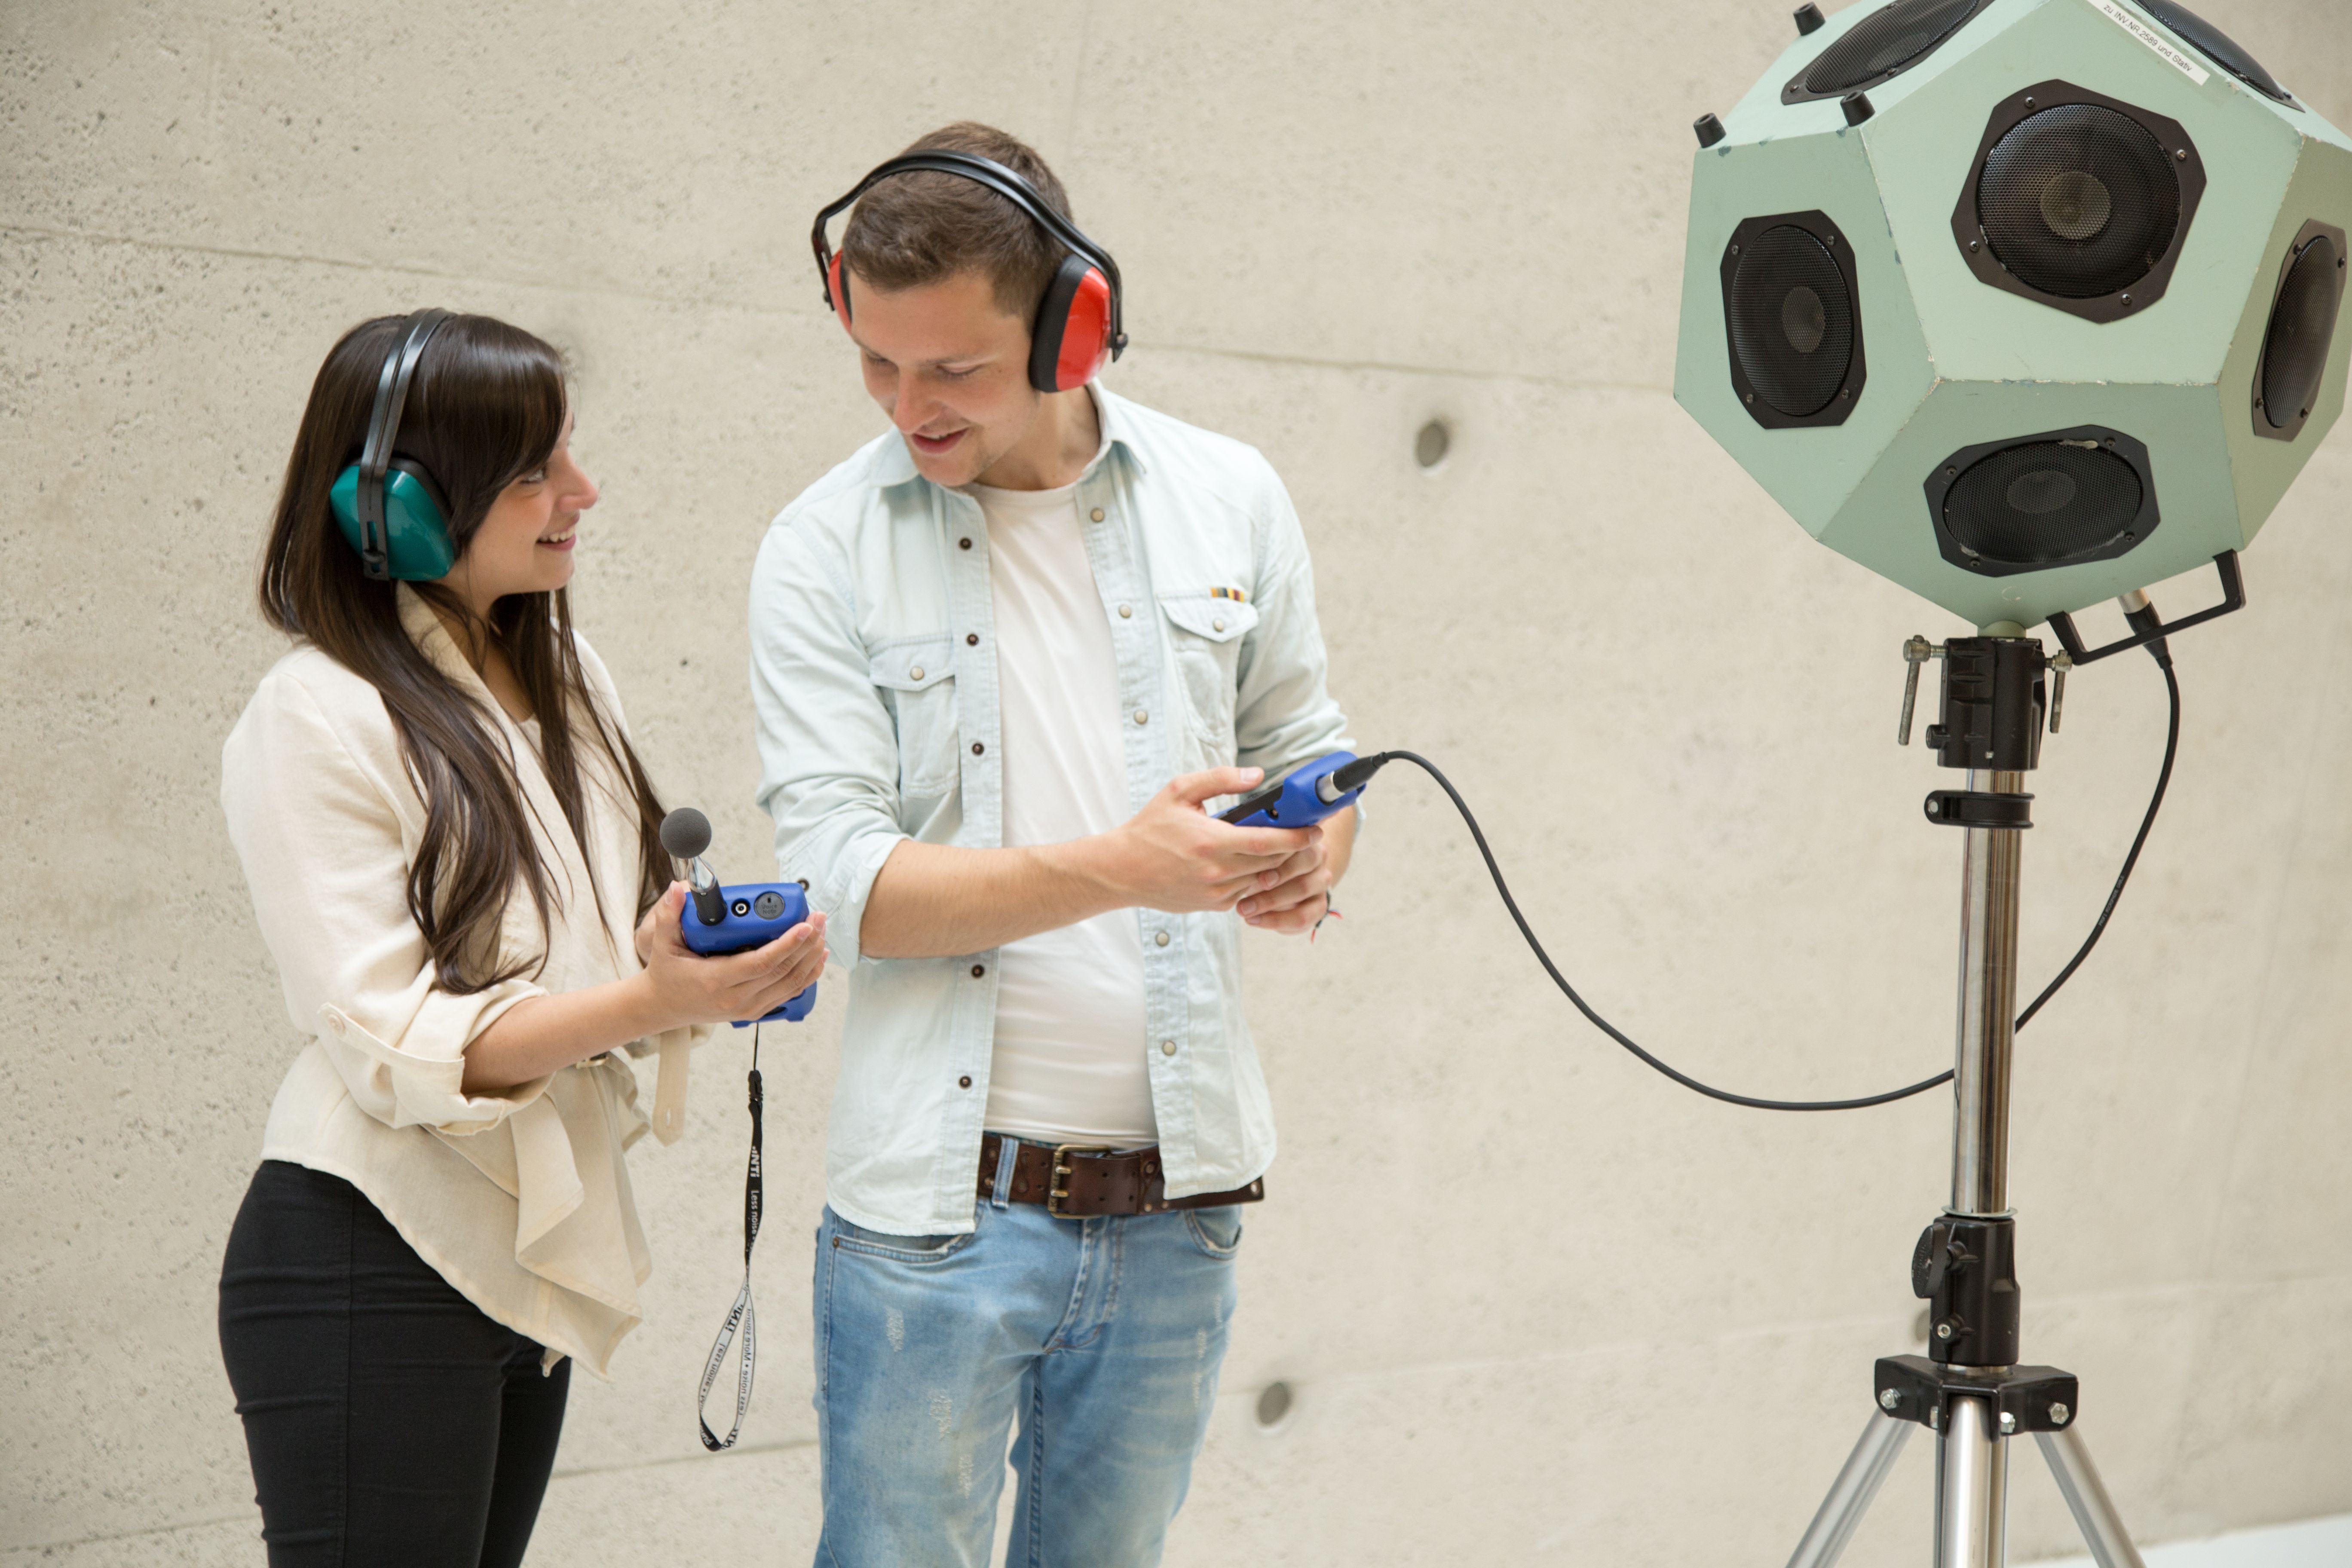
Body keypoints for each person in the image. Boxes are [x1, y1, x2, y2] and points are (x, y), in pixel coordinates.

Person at [750, 123, 1355, 1565]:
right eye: (876, 361)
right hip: (933, 1227)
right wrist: (1121, 868)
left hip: (1177, 1207)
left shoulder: (1230, 494)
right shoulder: (821, 547)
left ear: (1073, 328)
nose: (910, 406)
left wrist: (1315, 848)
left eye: (953, 369)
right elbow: (847, 889)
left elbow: (1308, 747)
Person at [217, 309, 828, 1568]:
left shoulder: (569, 677)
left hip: (513, 1262)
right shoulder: (314, 715)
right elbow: (394, 1042)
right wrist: (657, 1001)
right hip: (372, 1248)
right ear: (397, 506)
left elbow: (594, 962)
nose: (582, 492)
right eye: (536, 471)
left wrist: (694, 965)